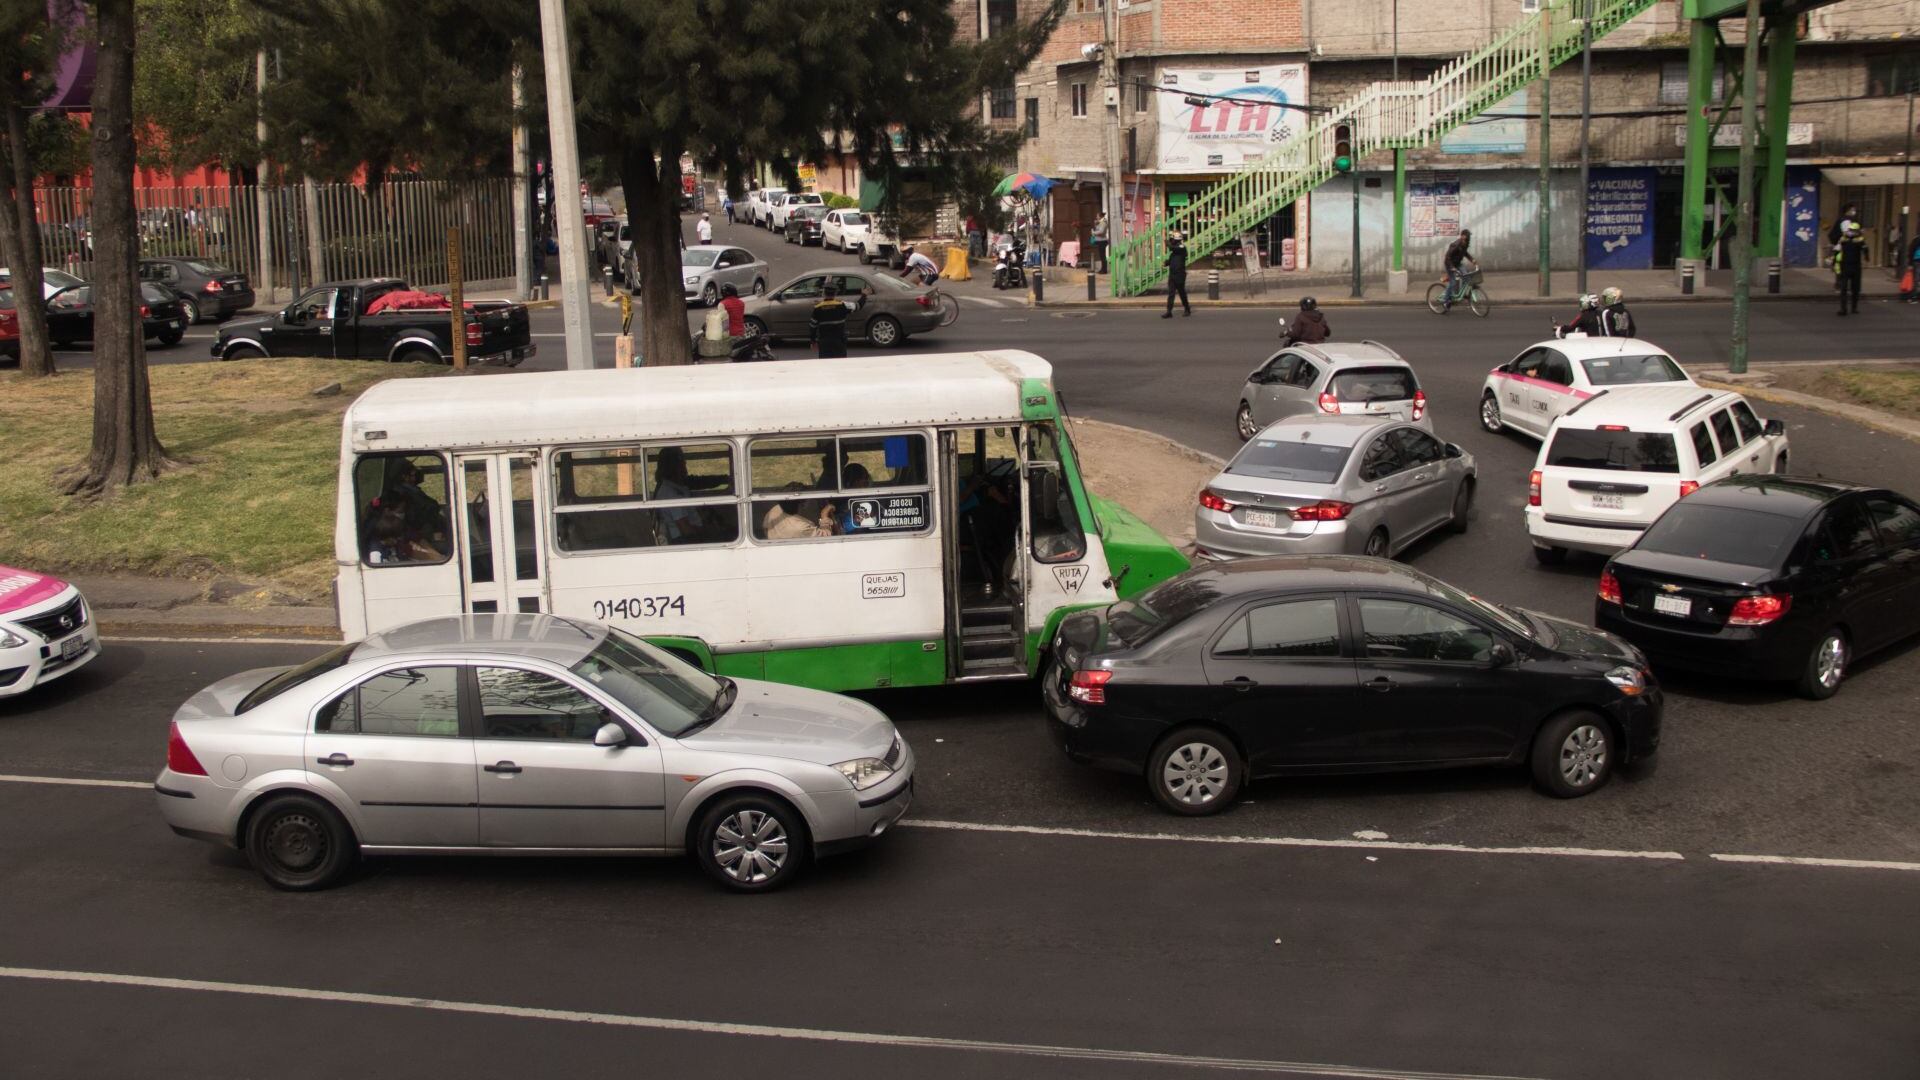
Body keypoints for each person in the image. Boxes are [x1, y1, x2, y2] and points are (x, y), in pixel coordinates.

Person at [763, 492, 836, 539]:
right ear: (802, 504)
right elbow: (825, 536)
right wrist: (824, 516)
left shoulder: (775, 509)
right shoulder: (801, 528)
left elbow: (765, 527)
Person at [1832, 218, 1866, 316]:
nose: (1852, 233)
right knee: (1844, 289)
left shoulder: (1860, 240)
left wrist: (1866, 257)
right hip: (1846, 266)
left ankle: (1854, 308)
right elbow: (1837, 250)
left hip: (1855, 267)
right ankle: (1844, 309)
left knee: (1855, 289)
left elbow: (1865, 250)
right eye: (1851, 231)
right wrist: (1834, 262)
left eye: (1854, 231)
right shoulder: (1843, 239)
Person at [810, 281, 851, 358]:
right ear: (835, 293)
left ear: (824, 293)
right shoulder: (842, 305)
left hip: (824, 343)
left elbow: (812, 326)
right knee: (840, 364)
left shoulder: (817, 308)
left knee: (826, 366)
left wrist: (813, 341)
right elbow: (858, 306)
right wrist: (864, 295)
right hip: (840, 342)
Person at [1162, 229, 1190, 318]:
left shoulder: (1182, 247)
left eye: (1172, 239)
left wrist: (1167, 242)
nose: (1171, 241)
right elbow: (1171, 260)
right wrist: (1166, 263)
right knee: (1171, 294)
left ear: (1176, 240)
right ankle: (1169, 311)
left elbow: (1172, 247)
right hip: (1172, 275)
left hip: (1180, 275)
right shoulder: (1173, 253)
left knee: (1182, 293)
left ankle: (1187, 309)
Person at [1442, 229, 1472, 312]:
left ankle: (1462, 294)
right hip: (1450, 264)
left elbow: (1465, 253)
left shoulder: (1465, 244)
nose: (1468, 239)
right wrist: (1452, 267)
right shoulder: (1455, 244)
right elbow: (1448, 257)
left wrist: (1472, 260)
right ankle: (1445, 300)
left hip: (1458, 264)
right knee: (1453, 282)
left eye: (1468, 237)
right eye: (1467, 237)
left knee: (1467, 278)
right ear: (1462, 236)